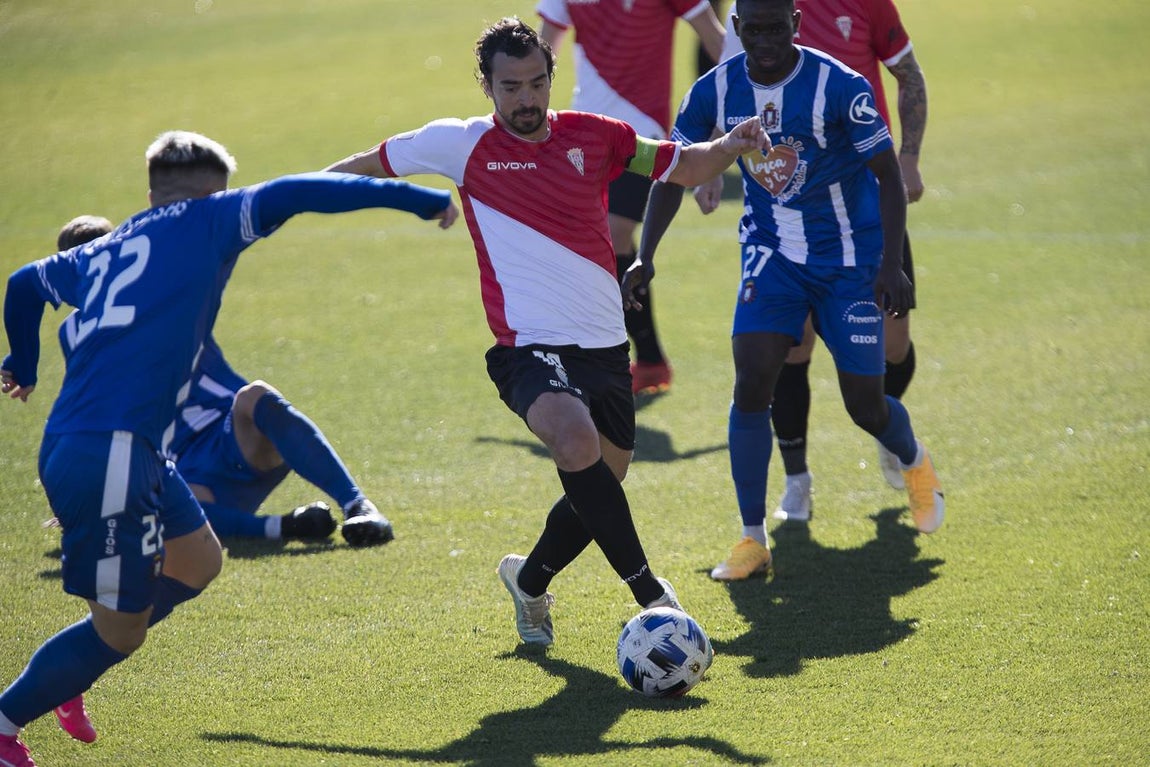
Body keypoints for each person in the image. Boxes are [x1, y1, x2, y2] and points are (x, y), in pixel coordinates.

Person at [0, 130, 456, 766]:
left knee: (197, 562)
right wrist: (415, 199)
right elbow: (302, 191)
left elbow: (24, 285)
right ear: (211, 190)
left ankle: (73, 669)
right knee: (120, 632)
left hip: (126, 451)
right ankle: (7, 722)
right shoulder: (212, 218)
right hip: (109, 455)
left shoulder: (111, 244)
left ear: (152, 189)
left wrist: (23, 360)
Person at [324, 18, 767, 644]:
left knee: (600, 482)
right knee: (573, 440)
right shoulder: (458, 143)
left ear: (552, 78)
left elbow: (682, 165)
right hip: (527, 347)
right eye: (510, 87)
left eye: (536, 83)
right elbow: (365, 165)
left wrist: (732, 145)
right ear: (487, 86)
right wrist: (275, 201)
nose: (526, 99)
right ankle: (650, 593)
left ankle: (529, 581)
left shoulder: (599, 136)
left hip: (606, 346)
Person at [624, 0, 944, 583]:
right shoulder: (713, 90)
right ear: (738, 28)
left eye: (778, 28)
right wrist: (646, 253)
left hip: (850, 258)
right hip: (771, 254)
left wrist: (891, 263)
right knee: (752, 379)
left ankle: (914, 459)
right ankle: (752, 538)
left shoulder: (838, 87)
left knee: (865, 405)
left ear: (796, 25)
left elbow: (887, 177)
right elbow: (673, 169)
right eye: (754, 30)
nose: (766, 41)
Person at [699, 0, 930, 522]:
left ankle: (888, 431)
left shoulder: (865, 7)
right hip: (787, 223)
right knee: (790, 350)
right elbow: (725, 88)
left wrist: (909, 156)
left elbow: (909, 76)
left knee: (894, 349)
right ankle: (797, 480)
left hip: (865, 209)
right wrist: (708, 163)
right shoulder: (758, 10)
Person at [46, 216, 394, 549]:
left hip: (235, 435)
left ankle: (358, 506)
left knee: (255, 396)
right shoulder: (75, 334)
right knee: (156, 500)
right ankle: (285, 526)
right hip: (184, 465)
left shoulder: (163, 296)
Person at [536, 0, 727, 395]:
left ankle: (621, 359)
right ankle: (647, 359)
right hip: (581, 132)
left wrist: (721, 131)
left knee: (613, 234)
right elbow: (542, 52)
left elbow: (716, 42)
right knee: (593, 242)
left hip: (642, 133)